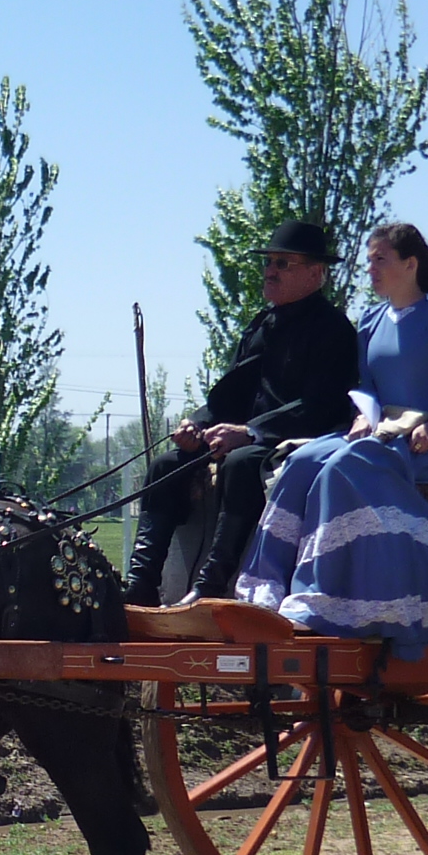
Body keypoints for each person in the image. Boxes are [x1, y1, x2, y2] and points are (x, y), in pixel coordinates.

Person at [233, 222, 428, 657]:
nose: (369, 268)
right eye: (369, 259)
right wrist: (362, 414)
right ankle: (263, 592)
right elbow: (369, 387)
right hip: (380, 434)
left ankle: (319, 599)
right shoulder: (371, 321)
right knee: (301, 462)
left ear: (410, 265)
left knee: (341, 468)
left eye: (380, 259)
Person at [121, 219, 360, 607]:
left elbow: (319, 406)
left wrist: (249, 433)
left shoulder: (334, 330)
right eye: (268, 262)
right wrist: (197, 425)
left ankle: (212, 587)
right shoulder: (261, 326)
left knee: (242, 463)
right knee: (165, 466)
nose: (269, 271)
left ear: (316, 273)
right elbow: (229, 393)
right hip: (240, 437)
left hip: (297, 441)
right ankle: (141, 585)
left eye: (283, 263)